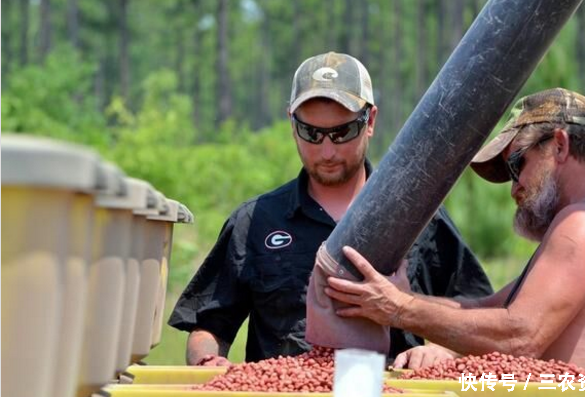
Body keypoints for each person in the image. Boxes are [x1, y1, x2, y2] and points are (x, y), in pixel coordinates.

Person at [168, 51, 492, 366]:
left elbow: (473, 311)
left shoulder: (418, 216)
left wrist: (440, 350)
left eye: (342, 132)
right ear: (292, 124)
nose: (326, 151)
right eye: (311, 133)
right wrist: (207, 361)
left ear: (370, 121)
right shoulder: (255, 221)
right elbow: (209, 325)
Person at [324, 88, 585, 374]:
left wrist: (399, 308)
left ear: (560, 145)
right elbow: (489, 309)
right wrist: (400, 296)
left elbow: (520, 335)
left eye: (517, 165)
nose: (514, 188)